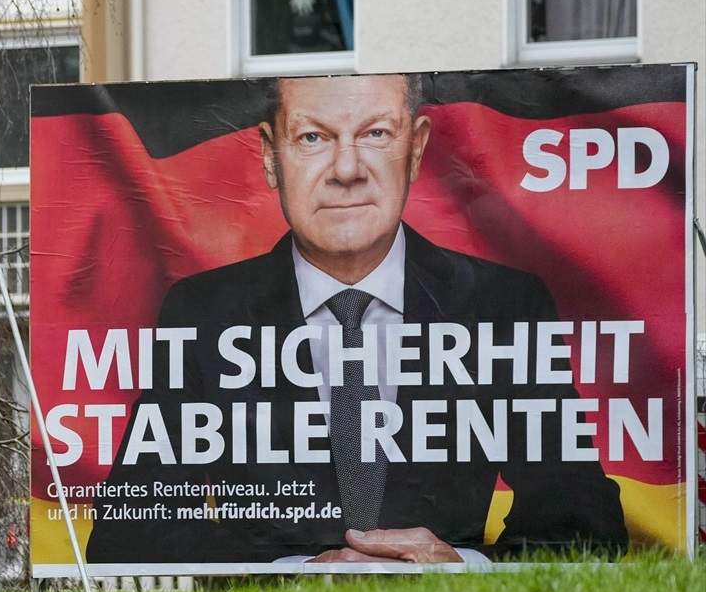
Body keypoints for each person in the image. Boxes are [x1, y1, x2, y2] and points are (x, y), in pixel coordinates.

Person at [84, 72, 626, 565]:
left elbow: (586, 524)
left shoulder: (503, 305)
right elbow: (129, 535)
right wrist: (296, 573)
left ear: (415, 150)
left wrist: (464, 571)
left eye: (375, 135)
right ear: (272, 157)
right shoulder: (204, 315)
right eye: (313, 138)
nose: (346, 170)